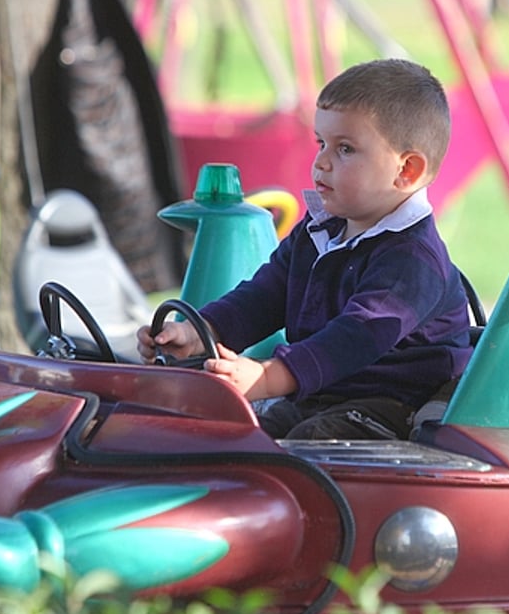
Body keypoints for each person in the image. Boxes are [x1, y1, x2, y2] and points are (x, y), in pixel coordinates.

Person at [138, 59, 472, 439]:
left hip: (396, 406)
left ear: (406, 171)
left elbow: (356, 336)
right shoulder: (320, 230)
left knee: (301, 452)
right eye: (321, 143)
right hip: (320, 394)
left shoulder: (412, 259)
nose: (321, 162)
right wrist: (202, 332)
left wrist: (269, 376)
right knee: (230, 434)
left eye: (345, 149)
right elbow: (264, 295)